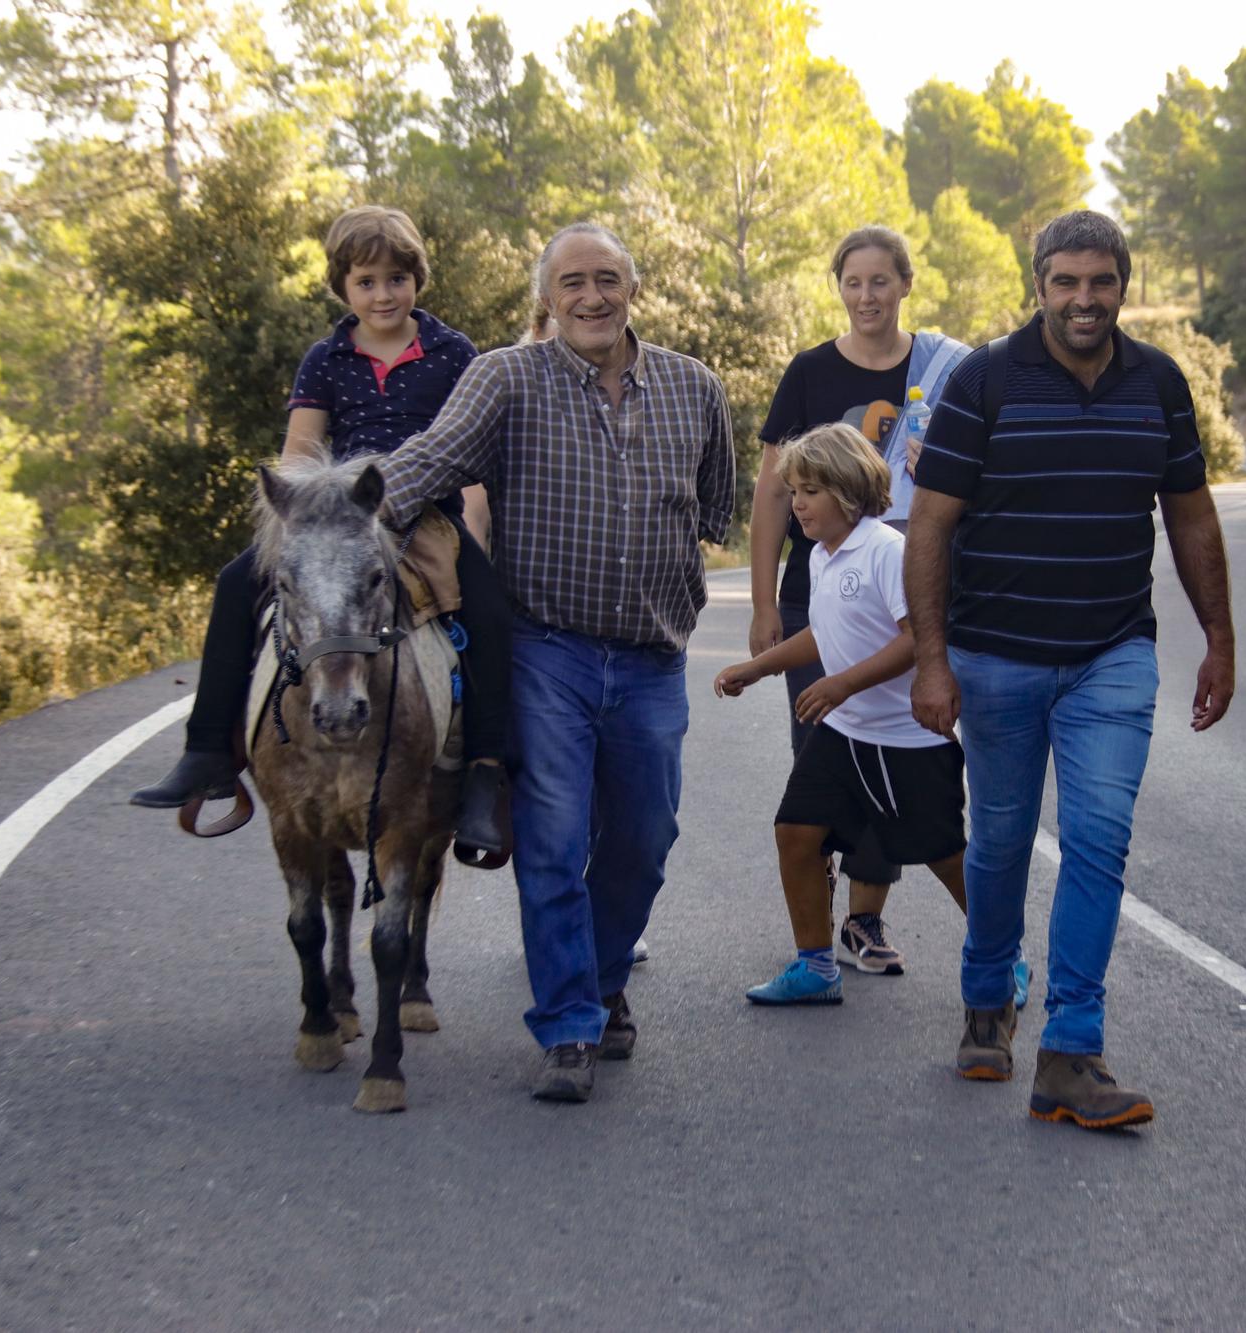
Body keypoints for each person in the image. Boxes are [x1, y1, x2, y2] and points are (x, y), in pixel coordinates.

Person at [375, 222, 735, 1103]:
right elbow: (426, 463)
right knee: (553, 840)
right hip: (547, 652)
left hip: (653, 657)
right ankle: (570, 1022)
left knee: (646, 841)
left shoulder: (695, 387)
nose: (591, 297)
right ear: (548, 296)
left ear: (632, 290)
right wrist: (330, 511)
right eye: (572, 282)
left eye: (607, 279)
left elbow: (715, 508)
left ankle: (604, 976)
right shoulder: (505, 378)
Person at [907, 210, 1234, 1131]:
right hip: (996, 655)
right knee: (1002, 842)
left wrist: (1221, 636)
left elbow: (1192, 515)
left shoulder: (1160, 384)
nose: (1084, 299)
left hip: (1112, 654)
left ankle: (1071, 1049)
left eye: (1101, 282)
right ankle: (985, 1002)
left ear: (1123, 284)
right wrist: (932, 661)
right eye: (1067, 282)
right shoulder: (983, 380)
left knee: (1098, 840)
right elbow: (930, 523)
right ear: (1038, 283)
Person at [130, 205, 514, 861]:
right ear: (343, 287)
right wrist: (297, 518)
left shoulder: (454, 352)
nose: (383, 294)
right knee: (233, 585)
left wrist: (473, 538)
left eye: (396, 278)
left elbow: (473, 458)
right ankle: (207, 751)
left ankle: (483, 771)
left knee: (491, 614)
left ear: (416, 278)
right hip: (335, 519)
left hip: (425, 517)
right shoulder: (326, 357)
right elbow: (301, 452)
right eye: (366, 281)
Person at [747, 227, 969, 978]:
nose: (866, 295)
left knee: (894, 759)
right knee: (822, 751)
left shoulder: (945, 369)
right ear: (838, 287)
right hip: (819, 588)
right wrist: (763, 604)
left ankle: (864, 921)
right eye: (853, 281)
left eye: (881, 281)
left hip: (912, 582)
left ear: (906, 283)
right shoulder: (809, 372)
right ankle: (818, 904)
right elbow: (776, 495)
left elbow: (981, 471)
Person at [714, 425, 971, 1004]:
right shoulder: (821, 557)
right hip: (843, 735)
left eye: (810, 491)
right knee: (797, 833)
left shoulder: (887, 551)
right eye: (794, 491)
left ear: (849, 492)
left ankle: (1002, 955)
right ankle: (815, 967)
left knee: (945, 855)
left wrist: (842, 684)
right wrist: (758, 668)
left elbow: (919, 639)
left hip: (904, 741)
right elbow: (823, 632)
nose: (797, 504)